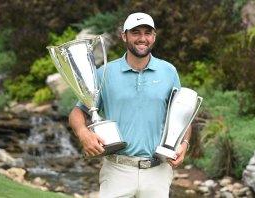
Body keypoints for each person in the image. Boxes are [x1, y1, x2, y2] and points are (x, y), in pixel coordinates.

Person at [68, 12, 191, 198]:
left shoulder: (169, 72)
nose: (142, 38)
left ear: (154, 37)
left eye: (147, 33)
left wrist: (184, 144)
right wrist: (83, 133)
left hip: (157, 170)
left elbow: (182, 115)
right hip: (117, 169)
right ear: (124, 36)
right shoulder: (105, 73)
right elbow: (78, 112)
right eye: (136, 32)